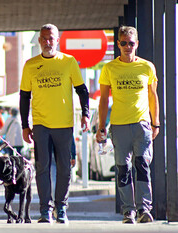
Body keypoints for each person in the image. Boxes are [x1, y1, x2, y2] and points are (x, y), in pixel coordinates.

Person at [19, 23, 89, 224]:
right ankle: (45, 210)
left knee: (65, 169)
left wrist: (85, 114)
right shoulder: (30, 65)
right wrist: (25, 125)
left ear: (57, 40)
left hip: (64, 125)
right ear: (39, 41)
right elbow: (24, 97)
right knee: (42, 167)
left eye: (51, 38)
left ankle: (61, 207)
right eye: (44, 38)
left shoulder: (68, 62)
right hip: (41, 125)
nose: (48, 42)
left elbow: (82, 90)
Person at [96, 26, 159, 224]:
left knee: (142, 166)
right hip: (119, 125)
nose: (127, 47)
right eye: (123, 43)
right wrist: (101, 126)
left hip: (142, 125)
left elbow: (152, 95)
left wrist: (155, 123)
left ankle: (144, 209)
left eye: (131, 43)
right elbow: (104, 99)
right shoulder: (109, 68)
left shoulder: (147, 67)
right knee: (123, 169)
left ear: (137, 44)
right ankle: (128, 211)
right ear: (118, 44)